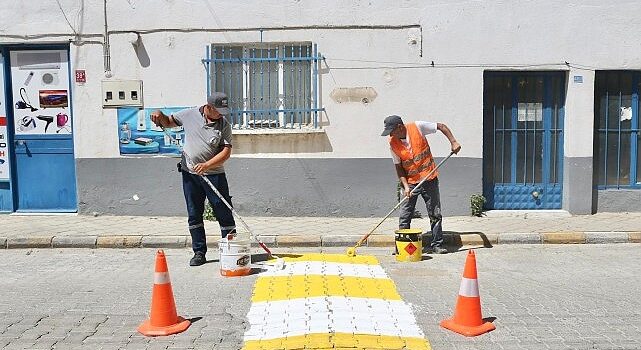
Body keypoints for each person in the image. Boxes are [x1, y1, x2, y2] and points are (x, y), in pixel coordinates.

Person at [151, 92, 236, 266]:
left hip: (214, 175)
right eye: (218, 111)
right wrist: (159, 114)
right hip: (190, 174)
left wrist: (207, 165)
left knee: (224, 213)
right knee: (194, 213)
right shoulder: (189, 115)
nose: (221, 114)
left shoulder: (224, 125)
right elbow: (167, 121)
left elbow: (226, 152)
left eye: (223, 111)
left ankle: (230, 250)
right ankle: (199, 252)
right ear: (209, 107)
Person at [381, 115, 461, 254]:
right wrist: (405, 186)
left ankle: (437, 244)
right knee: (405, 215)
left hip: (429, 178)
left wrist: (453, 142)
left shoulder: (417, 126)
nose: (391, 135)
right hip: (410, 182)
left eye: (392, 131)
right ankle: (401, 247)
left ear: (399, 127)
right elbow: (398, 167)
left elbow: (441, 126)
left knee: (435, 213)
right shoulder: (392, 143)